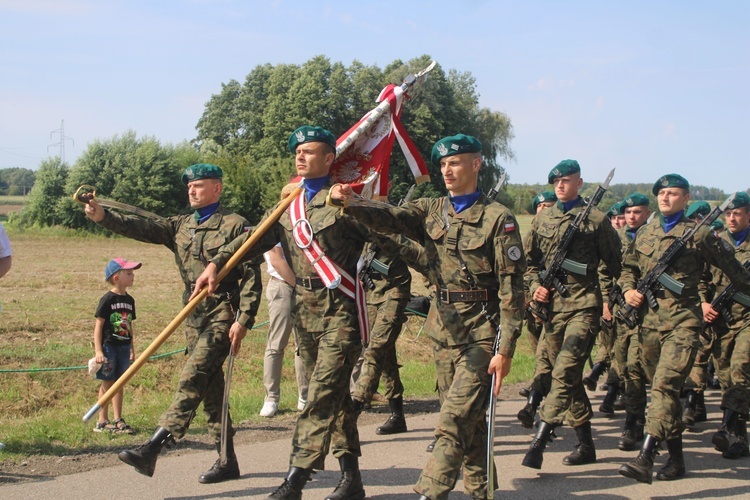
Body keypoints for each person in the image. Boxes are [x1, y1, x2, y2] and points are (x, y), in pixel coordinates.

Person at [329, 134, 526, 500]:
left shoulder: (499, 219)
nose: (447, 170)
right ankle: (482, 494)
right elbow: (393, 216)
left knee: (452, 421)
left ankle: (430, 493)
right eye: (443, 165)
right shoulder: (431, 209)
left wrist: (507, 349)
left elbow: (513, 291)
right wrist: (353, 202)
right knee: (470, 422)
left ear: (476, 164)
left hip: (482, 333)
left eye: (455, 162)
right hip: (443, 331)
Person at [192, 126, 370, 500]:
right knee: (335, 400)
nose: (301, 156)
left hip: (341, 312)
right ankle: (351, 478)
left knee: (319, 396)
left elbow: (388, 235)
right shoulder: (289, 205)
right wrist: (217, 265)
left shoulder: (344, 201)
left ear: (329, 159)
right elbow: (253, 239)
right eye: (298, 152)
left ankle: (295, 480)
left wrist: (362, 204)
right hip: (304, 312)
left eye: (310, 151)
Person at [84, 163, 262, 484]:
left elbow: (251, 276)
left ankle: (153, 447)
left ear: (217, 188)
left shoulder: (236, 225)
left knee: (193, 376)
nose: (192, 191)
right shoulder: (179, 226)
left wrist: (245, 320)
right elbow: (142, 227)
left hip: (224, 309)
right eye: (189, 186)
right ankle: (227, 461)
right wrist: (103, 217)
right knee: (210, 390)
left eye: (199, 185)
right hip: (193, 314)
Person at [618, 175, 750, 484]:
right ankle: (676, 461)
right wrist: (627, 291)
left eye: (672, 193)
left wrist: (710, 298)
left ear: (686, 198)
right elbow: (627, 268)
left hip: (684, 323)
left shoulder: (701, 235)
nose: (665, 198)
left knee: (665, 386)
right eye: (661, 193)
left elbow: (736, 274)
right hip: (649, 322)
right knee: (666, 393)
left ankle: (646, 456)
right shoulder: (646, 231)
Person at [520, 159, 622, 471]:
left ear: (579, 182)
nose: (561, 185)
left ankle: (540, 438)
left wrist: (616, 298)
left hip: (584, 306)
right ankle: (586, 444)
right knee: (567, 376)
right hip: (553, 310)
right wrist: (535, 286)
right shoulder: (543, 219)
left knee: (564, 372)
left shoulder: (596, 219)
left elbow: (616, 263)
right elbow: (528, 263)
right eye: (557, 181)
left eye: (567, 180)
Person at [351, 233, 414, 435]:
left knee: (376, 350)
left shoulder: (392, 225)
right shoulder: (362, 226)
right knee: (385, 354)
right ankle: (397, 416)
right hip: (372, 295)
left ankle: (355, 409)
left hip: (395, 293)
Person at [703, 191, 750, 459]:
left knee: (741, 368)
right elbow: (701, 278)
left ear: (748, 215)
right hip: (721, 321)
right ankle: (738, 438)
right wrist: (703, 304)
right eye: (728, 213)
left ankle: (726, 426)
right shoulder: (716, 244)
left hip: (747, 319)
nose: (731, 218)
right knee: (726, 378)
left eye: (737, 213)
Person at [260, 182, 309, 418]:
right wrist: (298, 284)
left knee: (303, 345)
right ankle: (271, 398)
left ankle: (305, 394)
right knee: (276, 344)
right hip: (282, 286)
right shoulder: (275, 223)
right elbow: (277, 260)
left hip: (304, 288)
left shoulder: (303, 224)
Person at [612, 192, 651, 451]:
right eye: (628, 212)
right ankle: (637, 419)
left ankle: (633, 422)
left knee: (637, 368)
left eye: (637, 212)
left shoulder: (653, 238)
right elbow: (610, 270)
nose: (631, 216)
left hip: (650, 314)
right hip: (623, 313)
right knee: (623, 365)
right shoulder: (618, 239)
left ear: (647, 213)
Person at [92, 258, 140, 434]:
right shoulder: (107, 299)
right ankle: (102, 421)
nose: (132, 276)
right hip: (109, 347)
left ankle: (118, 418)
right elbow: (98, 327)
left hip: (124, 347)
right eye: (128, 273)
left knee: (119, 384)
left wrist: (132, 348)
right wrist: (98, 350)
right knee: (108, 382)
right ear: (116, 277)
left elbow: (129, 325)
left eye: (132, 273)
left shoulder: (130, 300)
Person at [519, 191, 556, 399]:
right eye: (540, 207)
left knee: (550, 351)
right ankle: (541, 384)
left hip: (556, 300)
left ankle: (541, 388)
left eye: (549, 206)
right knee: (538, 349)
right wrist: (529, 299)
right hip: (533, 300)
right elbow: (522, 269)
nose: (544, 210)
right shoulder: (529, 236)